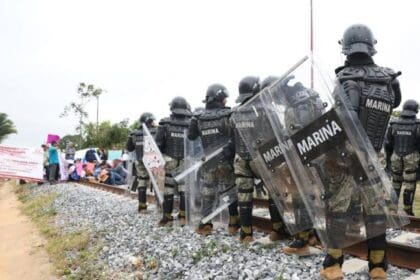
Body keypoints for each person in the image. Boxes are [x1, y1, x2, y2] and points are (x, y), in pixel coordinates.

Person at [320, 24, 401, 280]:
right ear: (371, 45)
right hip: (374, 155)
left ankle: (333, 264)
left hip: (346, 155)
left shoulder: (345, 77)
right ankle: (378, 266)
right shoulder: (390, 78)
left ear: (345, 47)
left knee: (338, 210)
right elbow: (395, 103)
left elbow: (346, 118)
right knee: (376, 210)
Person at [230, 76, 290, 244]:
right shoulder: (266, 110)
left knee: (244, 196)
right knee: (274, 193)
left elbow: (232, 138)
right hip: (262, 158)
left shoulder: (234, 112)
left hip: (241, 159)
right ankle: (278, 229)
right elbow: (277, 134)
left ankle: (246, 234)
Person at [188, 83, 239, 235]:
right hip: (226, 161)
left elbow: (191, 136)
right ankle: (233, 224)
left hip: (209, 162)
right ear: (221, 98)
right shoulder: (229, 114)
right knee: (231, 192)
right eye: (224, 98)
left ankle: (206, 225)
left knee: (208, 193)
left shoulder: (198, 118)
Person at [156, 96, 193, 226]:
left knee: (168, 189)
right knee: (184, 189)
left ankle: (167, 218)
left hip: (169, 160)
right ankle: (183, 217)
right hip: (185, 160)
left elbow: (158, 144)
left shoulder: (164, 123)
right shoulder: (190, 123)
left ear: (172, 108)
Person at [385, 100, 420, 216]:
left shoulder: (393, 124)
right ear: (415, 109)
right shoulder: (418, 125)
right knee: (410, 184)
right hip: (412, 157)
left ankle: (392, 209)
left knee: (395, 182)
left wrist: (388, 160)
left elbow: (388, 144)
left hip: (395, 156)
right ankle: (407, 210)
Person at [126, 112, 157, 213]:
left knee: (142, 182)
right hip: (154, 161)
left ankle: (142, 207)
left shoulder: (134, 133)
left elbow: (129, 148)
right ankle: (160, 206)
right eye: (152, 120)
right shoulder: (156, 131)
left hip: (140, 161)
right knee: (158, 183)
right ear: (149, 121)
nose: (154, 122)